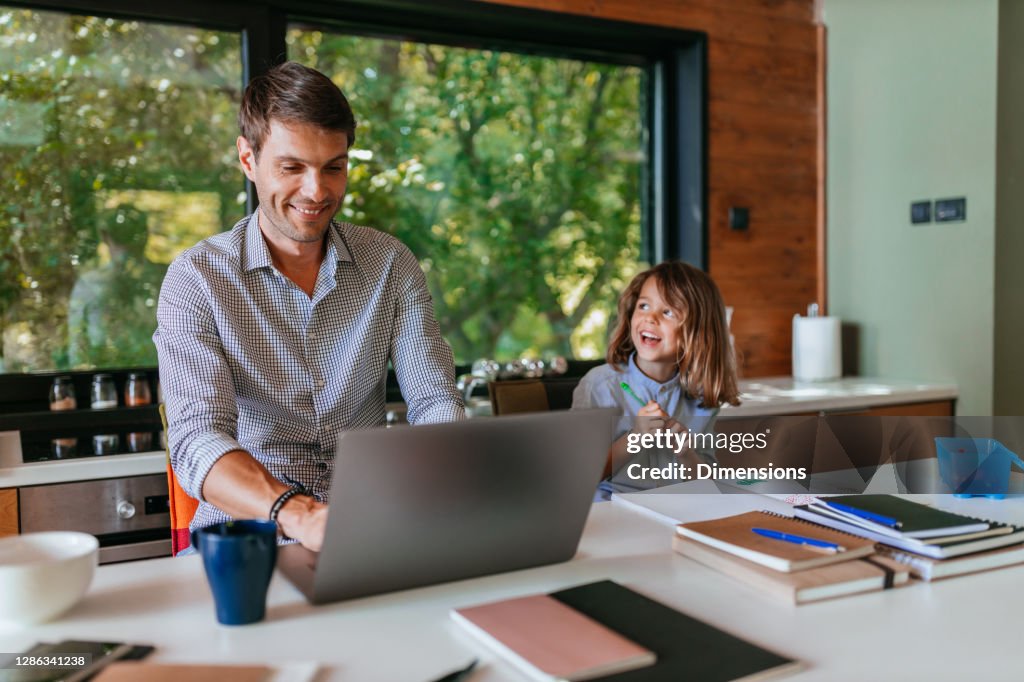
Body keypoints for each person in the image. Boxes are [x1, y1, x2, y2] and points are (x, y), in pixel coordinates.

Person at [154, 62, 464, 552]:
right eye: (292, 168)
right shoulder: (197, 280)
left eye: (333, 168)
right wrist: (300, 514)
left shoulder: (390, 264)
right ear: (248, 159)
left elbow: (434, 402)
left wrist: (452, 480)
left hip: (373, 524)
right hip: (250, 538)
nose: (317, 191)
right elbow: (196, 440)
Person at [572, 261, 740, 493]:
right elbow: (578, 475)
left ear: (698, 331)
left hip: (675, 507)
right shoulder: (598, 386)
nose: (650, 318)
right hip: (611, 507)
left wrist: (686, 454)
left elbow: (708, 485)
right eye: (643, 305)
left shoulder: (702, 395)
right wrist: (635, 439)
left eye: (668, 312)